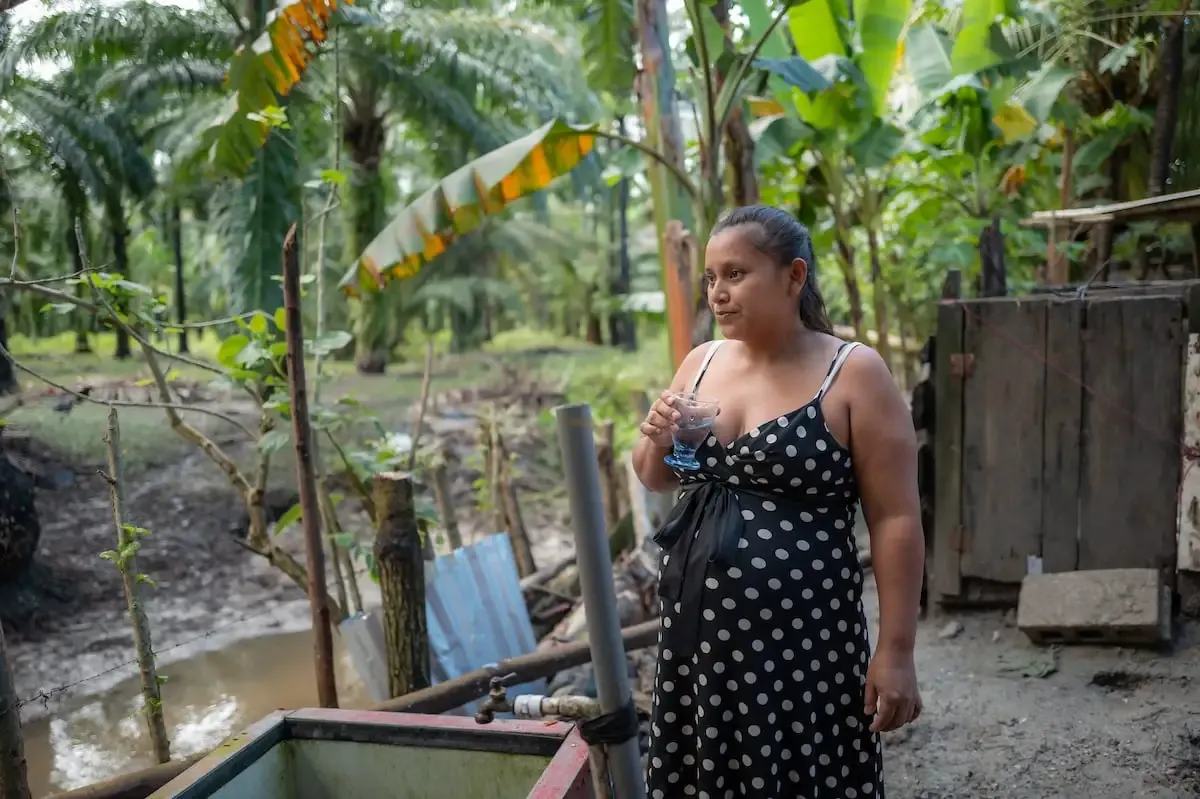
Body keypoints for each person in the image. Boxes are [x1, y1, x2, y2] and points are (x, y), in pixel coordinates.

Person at [633, 205, 924, 798]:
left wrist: (896, 652)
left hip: (802, 648)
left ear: (794, 276)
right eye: (711, 278)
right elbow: (656, 477)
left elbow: (895, 519)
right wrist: (657, 433)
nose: (718, 293)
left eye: (736, 274)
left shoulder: (851, 372)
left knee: (795, 776)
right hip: (698, 646)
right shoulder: (703, 361)